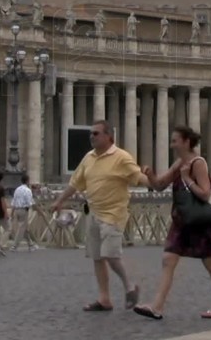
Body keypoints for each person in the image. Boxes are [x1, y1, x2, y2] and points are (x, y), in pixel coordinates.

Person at [51, 120, 150, 312]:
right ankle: (104, 298)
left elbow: (138, 176)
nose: (91, 137)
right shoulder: (88, 158)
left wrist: (153, 180)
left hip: (114, 214)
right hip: (94, 212)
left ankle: (130, 287)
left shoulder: (121, 157)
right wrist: (60, 200)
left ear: (108, 136)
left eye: (96, 133)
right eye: (91, 133)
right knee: (97, 257)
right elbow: (75, 183)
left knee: (111, 255)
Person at [134, 126, 211, 320]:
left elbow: (205, 193)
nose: (172, 144)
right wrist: (150, 175)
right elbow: (160, 185)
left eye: (175, 140)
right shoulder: (179, 162)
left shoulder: (198, 163)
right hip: (182, 220)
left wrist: (187, 179)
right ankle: (157, 307)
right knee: (168, 260)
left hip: (199, 221)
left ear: (186, 142)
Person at [10, 174, 37, 252]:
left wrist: (12, 213)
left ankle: (30, 245)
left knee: (25, 228)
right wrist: (37, 209)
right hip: (24, 210)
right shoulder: (28, 190)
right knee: (22, 228)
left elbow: (13, 201)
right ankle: (14, 246)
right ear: (27, 181)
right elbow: (30, 202)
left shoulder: (17, 189)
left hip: (16, 210)